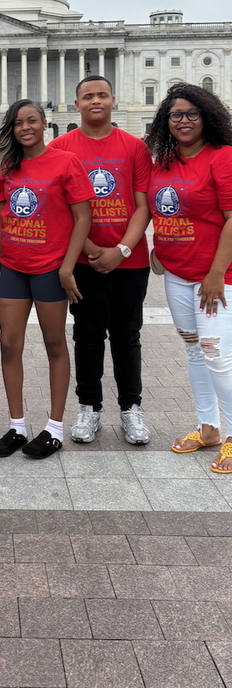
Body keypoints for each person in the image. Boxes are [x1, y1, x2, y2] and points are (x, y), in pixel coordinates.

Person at [51, 77, 152, 446]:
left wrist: (121, 249)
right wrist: (90, 249)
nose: (96, 101)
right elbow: (59, 209)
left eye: (102, 95)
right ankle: (89, 406)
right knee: (87, 335)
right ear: (76, 103)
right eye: (88, 96)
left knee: (128, 336)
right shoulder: (61, 147)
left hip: (131, 260)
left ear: (113, 100)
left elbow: (142, 206)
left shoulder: (135, 147)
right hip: (83, 261)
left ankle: (131, 407)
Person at [0, 99, 92, 459]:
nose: (25, 127)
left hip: (49, 268)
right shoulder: (5, 168)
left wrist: (67, 267)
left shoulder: (66, 162)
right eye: (18, 123)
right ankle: (17, 426)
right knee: (8, 344)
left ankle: (54, 428)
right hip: (14, 268)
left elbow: (83, 218)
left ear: (44, 124)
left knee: (54, 344)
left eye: (32, 120)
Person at [147, 82, 232, 474]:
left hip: (214, 276)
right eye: (176, 115)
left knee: (216, 354)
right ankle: (208, 427)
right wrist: (158, 246)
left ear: (206, 116)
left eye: (191, 113)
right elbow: (159, 209)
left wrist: (216, 274)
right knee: (194, 350)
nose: (184, 121)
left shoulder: (222, 157)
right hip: (177, 274)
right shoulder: (163, 162)